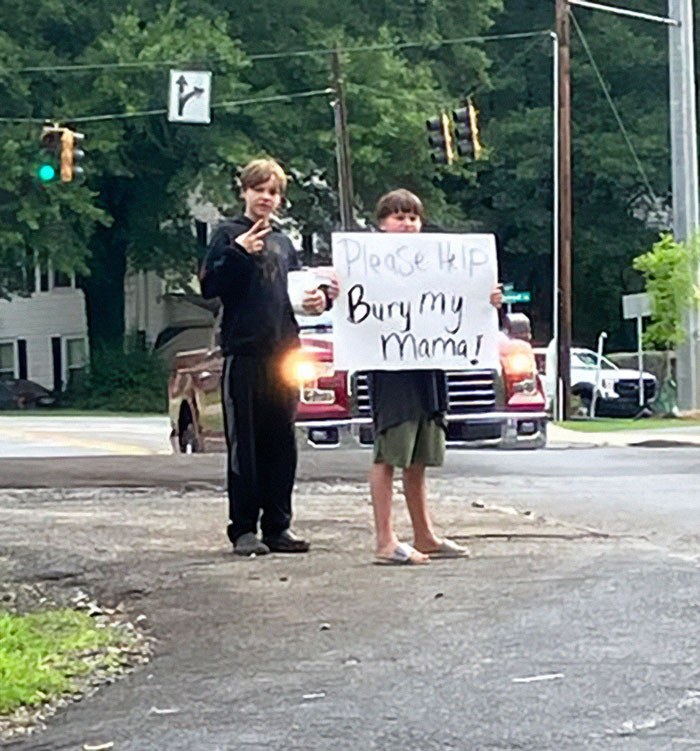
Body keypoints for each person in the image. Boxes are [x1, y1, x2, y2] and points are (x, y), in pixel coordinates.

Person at [200, 158, 335, 556]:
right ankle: (243, 528)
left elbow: (299, 298)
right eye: (259, 189)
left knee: (282, 442)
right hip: (244, 352)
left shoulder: (284, 243)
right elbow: (210, 285)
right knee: (246, 443)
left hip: (284, 352)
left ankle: (279, 525)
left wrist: (320, 299)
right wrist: (239, 252)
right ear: (244, 191)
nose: (266, 198)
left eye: (273, 192)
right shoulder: (226, 235)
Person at [368, 189, 502, 565]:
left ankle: (424, 534)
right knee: (389, 452)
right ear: (382, 224)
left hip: (428, 366)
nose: (407, 223)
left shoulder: (440, 263)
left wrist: (485, 299)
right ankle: (385, 539)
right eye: (398, 217)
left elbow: (463, 301)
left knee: (420, 455)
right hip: (390, 369)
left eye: (412, 217)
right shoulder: (367, 262)